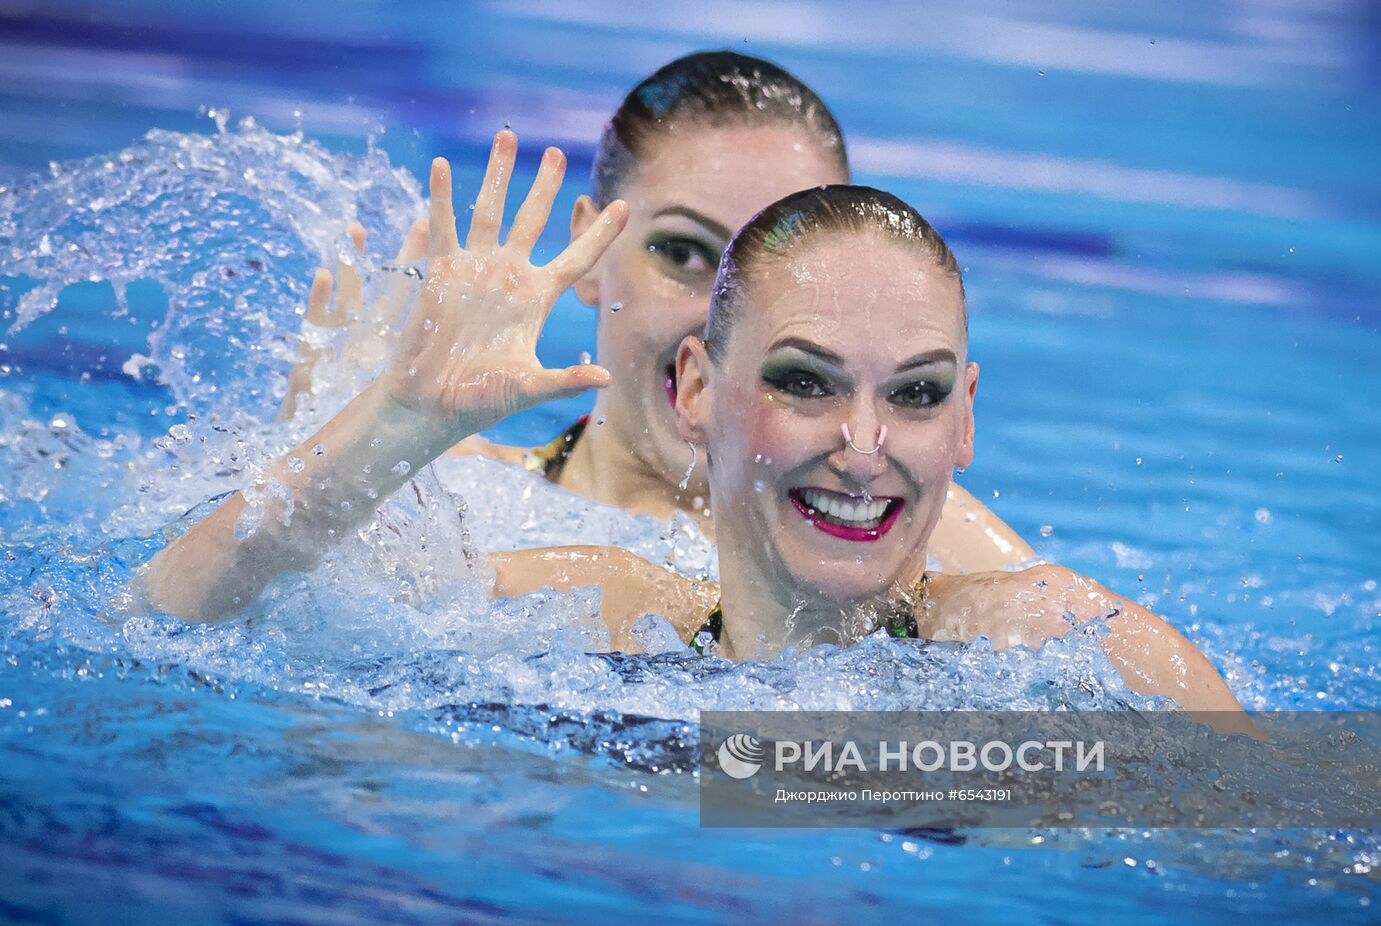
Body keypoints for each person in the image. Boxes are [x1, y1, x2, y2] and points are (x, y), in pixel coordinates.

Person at [142, 133, 1254, 732]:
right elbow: (161, 623)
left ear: (965, 419)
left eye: (913, 395)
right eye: (804, 383)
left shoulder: (1060, 647)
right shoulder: (593, 616)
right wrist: (394, 422)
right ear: (694, 391)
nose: (864, 444)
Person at [279, 52, 1033, 573]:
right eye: (684, 252)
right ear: (587, 251)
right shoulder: (448, 498)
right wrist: (357, 442)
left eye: (786, 269)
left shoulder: (922, 540)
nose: (724, 315)